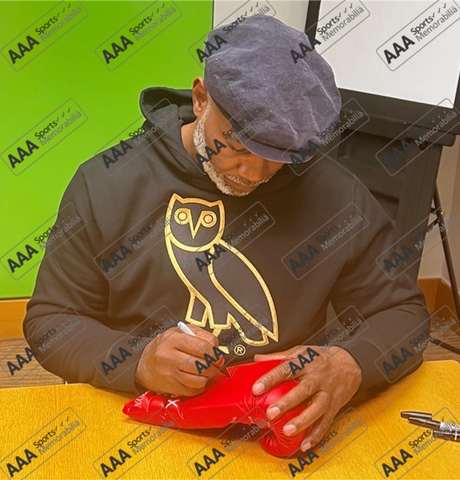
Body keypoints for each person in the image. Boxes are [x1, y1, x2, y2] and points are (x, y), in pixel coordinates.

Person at [24, 16, 429, 452]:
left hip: (276, 431)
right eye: (238, 145)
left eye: (280, 156)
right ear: (201, 99)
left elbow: (404, 316)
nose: (253, 173)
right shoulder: (106, 183)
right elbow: (51, 321)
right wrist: (137, 361)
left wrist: (351, 363)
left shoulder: (337, 196)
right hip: (135, 424)